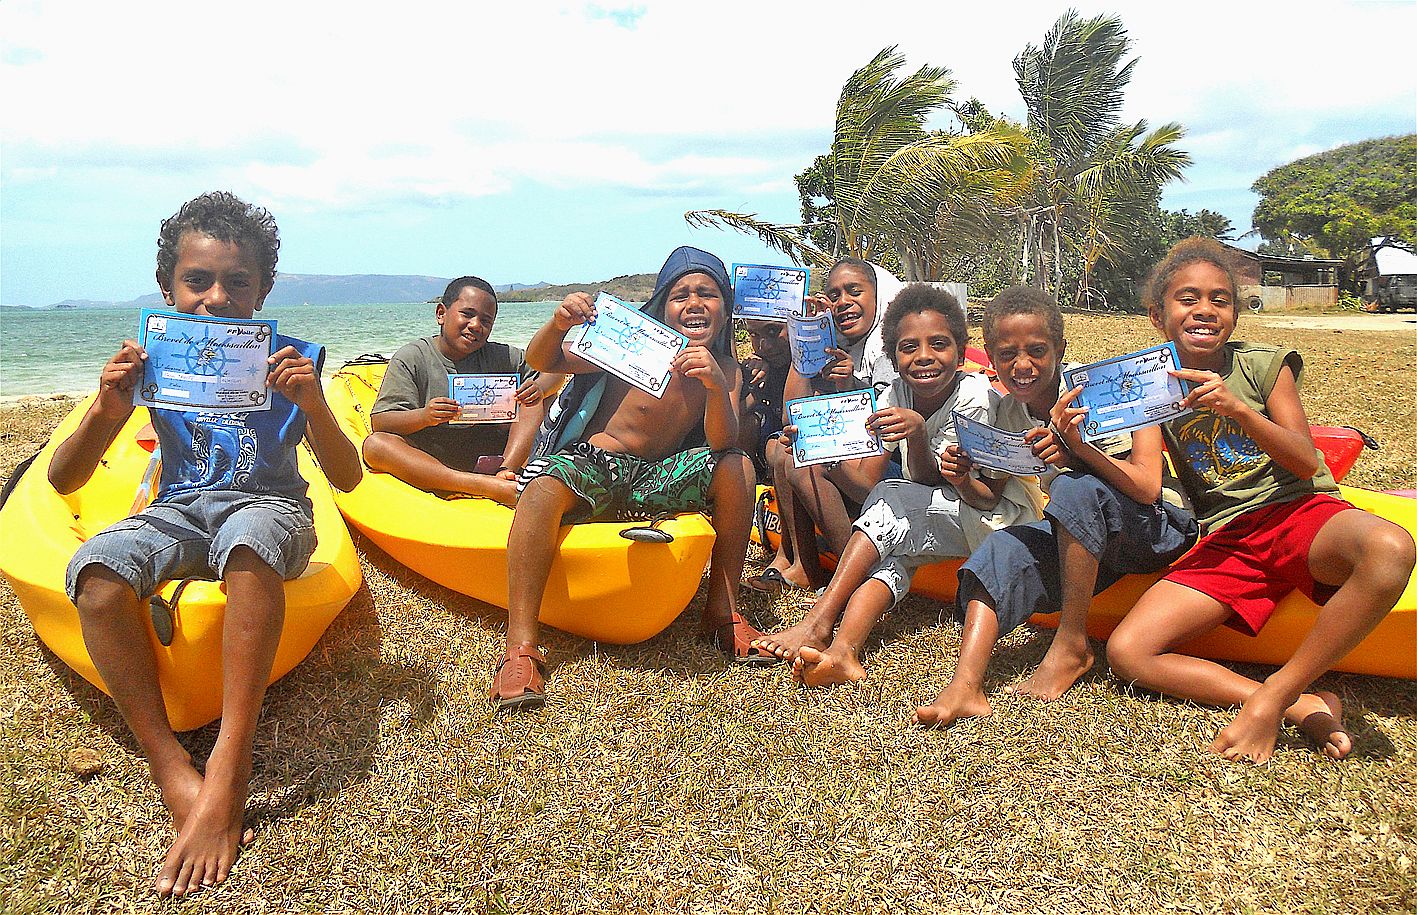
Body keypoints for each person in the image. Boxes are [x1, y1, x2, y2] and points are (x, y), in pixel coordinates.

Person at [50, 192, 363, 896]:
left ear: (264, 290)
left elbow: (346, 476)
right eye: (198, 281)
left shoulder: (293, 363)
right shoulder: (151, 362)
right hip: (180, 507)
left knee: (250, 538)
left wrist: (312, 401)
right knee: (96, 571)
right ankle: (168, 764)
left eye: (237, 283)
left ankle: (229, 765)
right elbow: (65, 476)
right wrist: (108, 405)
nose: (216, 298)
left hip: (271, 504)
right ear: (167, 288)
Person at [1106, 237, 1415, 764]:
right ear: (1158, 315)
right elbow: (1146, 482)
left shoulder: (1264, 366)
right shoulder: (1148, 384)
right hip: (1227, 537)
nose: (1204, 309)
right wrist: (1070, 446)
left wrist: (1240, 412)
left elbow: (1303, 460)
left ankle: (1274, 695)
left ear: (1235, 312)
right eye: (1188, 298)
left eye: (1220, 299)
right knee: (1127, 653)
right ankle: (1301, 704)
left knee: (1390, 547)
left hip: (1297, 511)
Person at [488, 246, 764, 711]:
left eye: (708, 293)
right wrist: (559, 324)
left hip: (659, 476)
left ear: (726, 307)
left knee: (738, 466)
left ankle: (723, 610)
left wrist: (716, 385)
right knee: (539, 490)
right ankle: (521, 646)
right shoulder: (635, 342)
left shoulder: (726, 367)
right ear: (661, 304)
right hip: (601, 462)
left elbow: (724, 440)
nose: (694, 303)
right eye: (680, 295)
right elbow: (546, 360)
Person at [914, 286, 1198, 728]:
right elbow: (989, 497)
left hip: (1158, 525)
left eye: (1037, 351)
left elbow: (1146, 487)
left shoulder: (1112, 388)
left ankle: (1072, 644)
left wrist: (1076, 451)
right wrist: (962, 479)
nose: (1022, 366)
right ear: (989, 355)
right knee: (1004, 547)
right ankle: (966, 683)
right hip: (1084, 530)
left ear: (1061, 349)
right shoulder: (1008, 411)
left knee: (1073, 488)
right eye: (1007, 354)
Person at [750, 285, 1015, 685]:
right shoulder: (894, 392)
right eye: (909, 347)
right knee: (889, 548)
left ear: (961, 352)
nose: (924, 357)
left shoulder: (972, 396)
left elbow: (940, 480)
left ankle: (819, 622)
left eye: (938, 344)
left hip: (986, 516)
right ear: (894, 356)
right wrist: (822, 455)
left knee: (894, 498)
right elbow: (864, 484)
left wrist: (917, 435)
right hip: (934, 512)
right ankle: (843, 652)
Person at [755, 258, 905, 593]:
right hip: (853, 452)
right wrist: (807, 337)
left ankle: (855, 582)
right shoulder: (834, 344)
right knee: (782, 447)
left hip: (889, 463)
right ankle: (801, 564)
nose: (843, 302)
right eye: (834, 296)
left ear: (878, 296)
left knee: (799, 457)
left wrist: (848, 384)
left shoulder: (890, 348)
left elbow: (881, 424)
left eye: (855, 291)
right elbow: (790, 416)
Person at [362, 276, 562, 506]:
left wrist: (539, 387)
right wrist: (425, 416)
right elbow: (381, 422)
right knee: (375, 446)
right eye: (467, 314)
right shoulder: (413, 357)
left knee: (537, 398)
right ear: (441, 313)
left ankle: (505, 473)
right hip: (432, 458)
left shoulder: (501, 356)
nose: (476, 325)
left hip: (493, 454)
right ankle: (479, 485)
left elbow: (553, 370)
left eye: (486, 321)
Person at [736, 318, 791, 476]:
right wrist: (756, 388)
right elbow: (734, 418)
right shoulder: (759, 368)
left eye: (773, 331)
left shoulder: (821, 366)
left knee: (780, 450)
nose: (764, 345)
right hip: (768, 439)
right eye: (754, 334)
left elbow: (792, 419)